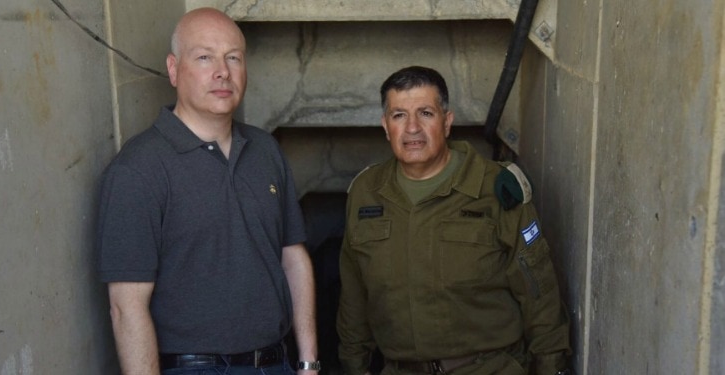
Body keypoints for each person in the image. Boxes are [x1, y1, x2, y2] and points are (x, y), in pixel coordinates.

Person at [96, 8, 319, 374]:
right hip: (193, 368)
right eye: (204, 57)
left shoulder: (265, 150)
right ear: (173, 69)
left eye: (234, 58)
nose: (222, 72)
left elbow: (292, 257)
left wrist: (309, 361)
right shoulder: (137, 170)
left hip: (276, 363)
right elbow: (126, 307)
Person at [337, 66, 571, 375]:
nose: (412, 129)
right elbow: (354, 297)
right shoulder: (366, 193)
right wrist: (354, 367)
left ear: (447, 122)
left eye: (425, 113)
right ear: (385, 125)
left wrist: (552, 368)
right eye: (399, 116)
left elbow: (538, 293)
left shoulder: (496, 189)